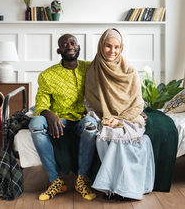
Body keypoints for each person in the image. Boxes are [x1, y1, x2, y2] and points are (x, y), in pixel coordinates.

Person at [85, 28, 155, 200]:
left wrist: (120, 118)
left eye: (117, 47)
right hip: (104, 117)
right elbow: (90, 101)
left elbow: (138, 102)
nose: (112, 51)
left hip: (128, 117)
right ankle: (114, 188)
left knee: (121, 139)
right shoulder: (93, 70)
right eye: (108, 46)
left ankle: (123, 190)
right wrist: (107, 118)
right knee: (109, 135)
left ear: (121, 48)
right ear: (101, 45)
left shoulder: (129, 71)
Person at [29, 34, 98, 201]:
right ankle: (55, 181)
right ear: (59, 50)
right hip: (59, 120)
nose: (69, 45)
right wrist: (49, 114)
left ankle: (81, 180)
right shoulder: (47, 75)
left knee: (91, 126)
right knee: (36, 123)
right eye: (65, 44)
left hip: (83, 118)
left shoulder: (91, 68)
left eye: (73, 42)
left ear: (79, 47)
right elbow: (40, 103)